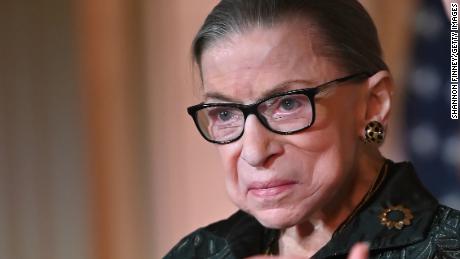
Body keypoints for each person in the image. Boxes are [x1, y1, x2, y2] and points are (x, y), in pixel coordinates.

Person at [165, 0, 460, 258]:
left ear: (373, 103)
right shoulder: (197, 252)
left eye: (288, 104)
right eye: (225, 113)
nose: (254, 153)